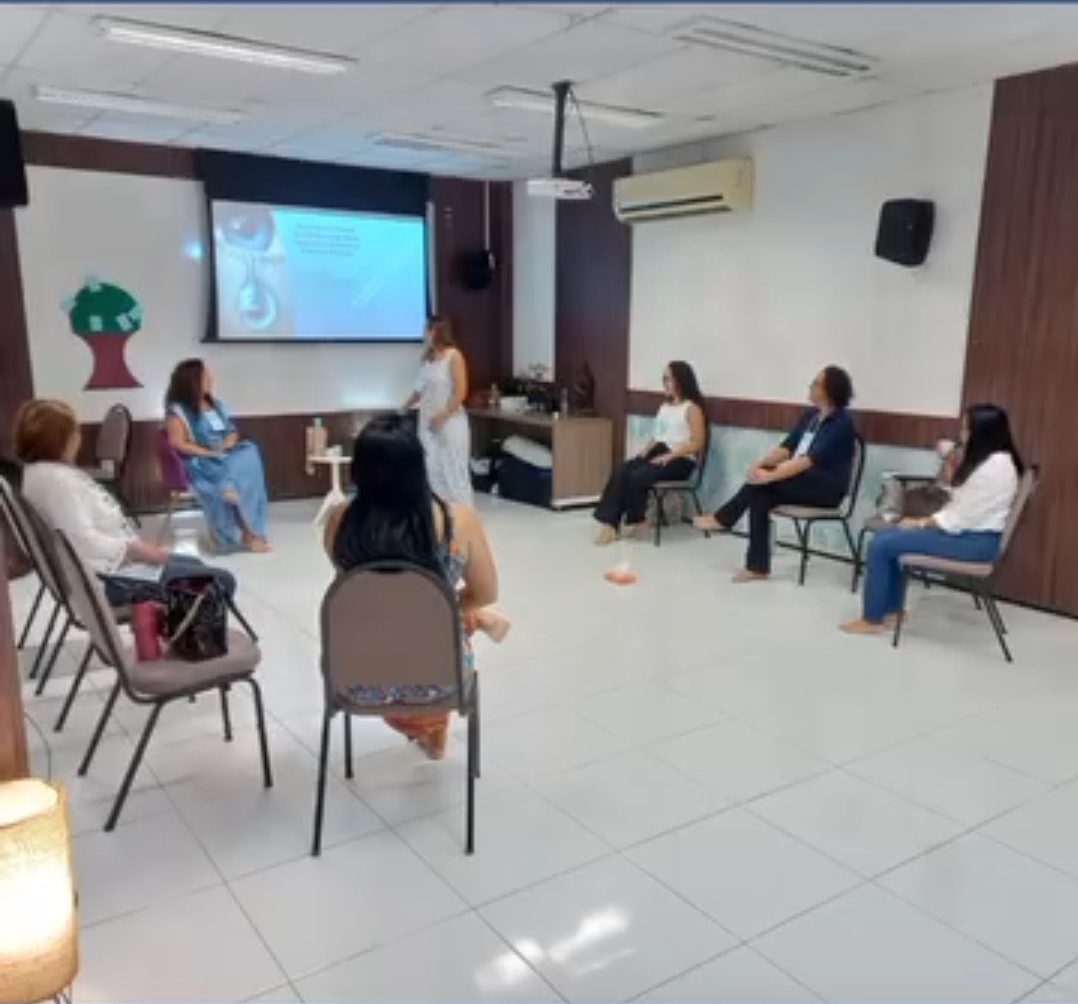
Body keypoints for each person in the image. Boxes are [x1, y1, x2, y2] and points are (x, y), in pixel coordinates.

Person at [323, 414, 501, 760]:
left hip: (356, 680)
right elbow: (485, 593)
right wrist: (441, 609)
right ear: (419, 466)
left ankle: (415, 721)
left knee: (405, 624)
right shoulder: (458, 521)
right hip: (438, 681)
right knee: (455, 619)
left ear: (357, 470)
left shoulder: (340, 520)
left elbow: (350, 590)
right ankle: (431, 723)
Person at [13, 399, 237, 606]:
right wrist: (139, 551)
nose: (78, 439)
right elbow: (81, 541)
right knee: (219, 581)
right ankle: (187, 642)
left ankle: (179, 636)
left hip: (107, 569)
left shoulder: (38, 474)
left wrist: (139, 550)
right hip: (108, 579)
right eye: (75, 432)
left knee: (194, 566)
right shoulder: (57, 482)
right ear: (59, 439)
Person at [842, 403, 1023, 634]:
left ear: (982, 432)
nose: (962, 434)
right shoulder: (996, 461)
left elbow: (959, 518)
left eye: (966, 429)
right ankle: (892, 609)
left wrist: (919, 523)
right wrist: (950, 465)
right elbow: (963, 500)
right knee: (889, 536)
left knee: (881, 543)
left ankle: (872, 619)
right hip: (970, 535)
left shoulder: (994, 468)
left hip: (972, 541)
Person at [695, 365, 857, 582]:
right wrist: (760, 464)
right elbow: (787, 448)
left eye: (816, 384)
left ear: (831, 391)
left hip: (826, 489)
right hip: (801, 481)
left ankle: (724, 518)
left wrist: (768, 475)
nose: (810, 386)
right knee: (760, 495)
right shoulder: (810, 416)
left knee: (763, 484)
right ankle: (757, 567)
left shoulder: (841, 423)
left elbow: (806, 462)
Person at [593, 361, 708, 544]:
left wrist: (671, 455)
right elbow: (658, 435)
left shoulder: (692, 409)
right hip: (660, 451)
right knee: (622, 470)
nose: (665, 383)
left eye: (668, 379)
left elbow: (697, 443)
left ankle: (636, 519)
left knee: (638, 476)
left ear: (680, 381)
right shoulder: (664, 407)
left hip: (681, 459)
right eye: (664, 379)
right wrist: (645, 451)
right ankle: (610, 524)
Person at [165, 359, 270, 553]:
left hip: (225, 454)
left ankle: (231, 490)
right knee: (233, 469)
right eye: (205, 376)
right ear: (192, 381)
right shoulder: (178, 411)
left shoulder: (216, 404)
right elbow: (178, 443)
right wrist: (209, 452)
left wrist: (228, 441)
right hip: (201, 460)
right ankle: (250, 532)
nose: (211, 379)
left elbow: (231, 430)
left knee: (249, 450)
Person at [402, 316, 473, 507]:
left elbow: (460, 392)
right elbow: (419, 390)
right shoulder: (427, 360)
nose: (424, 333)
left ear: (437, 331)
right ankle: (439, 516)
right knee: (432, 469)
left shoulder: (453, 356)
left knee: (454, 470)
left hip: (450, 421)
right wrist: (403, 407)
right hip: (427, 423)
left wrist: (443, 414)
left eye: (427, 329)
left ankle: (462, 517)